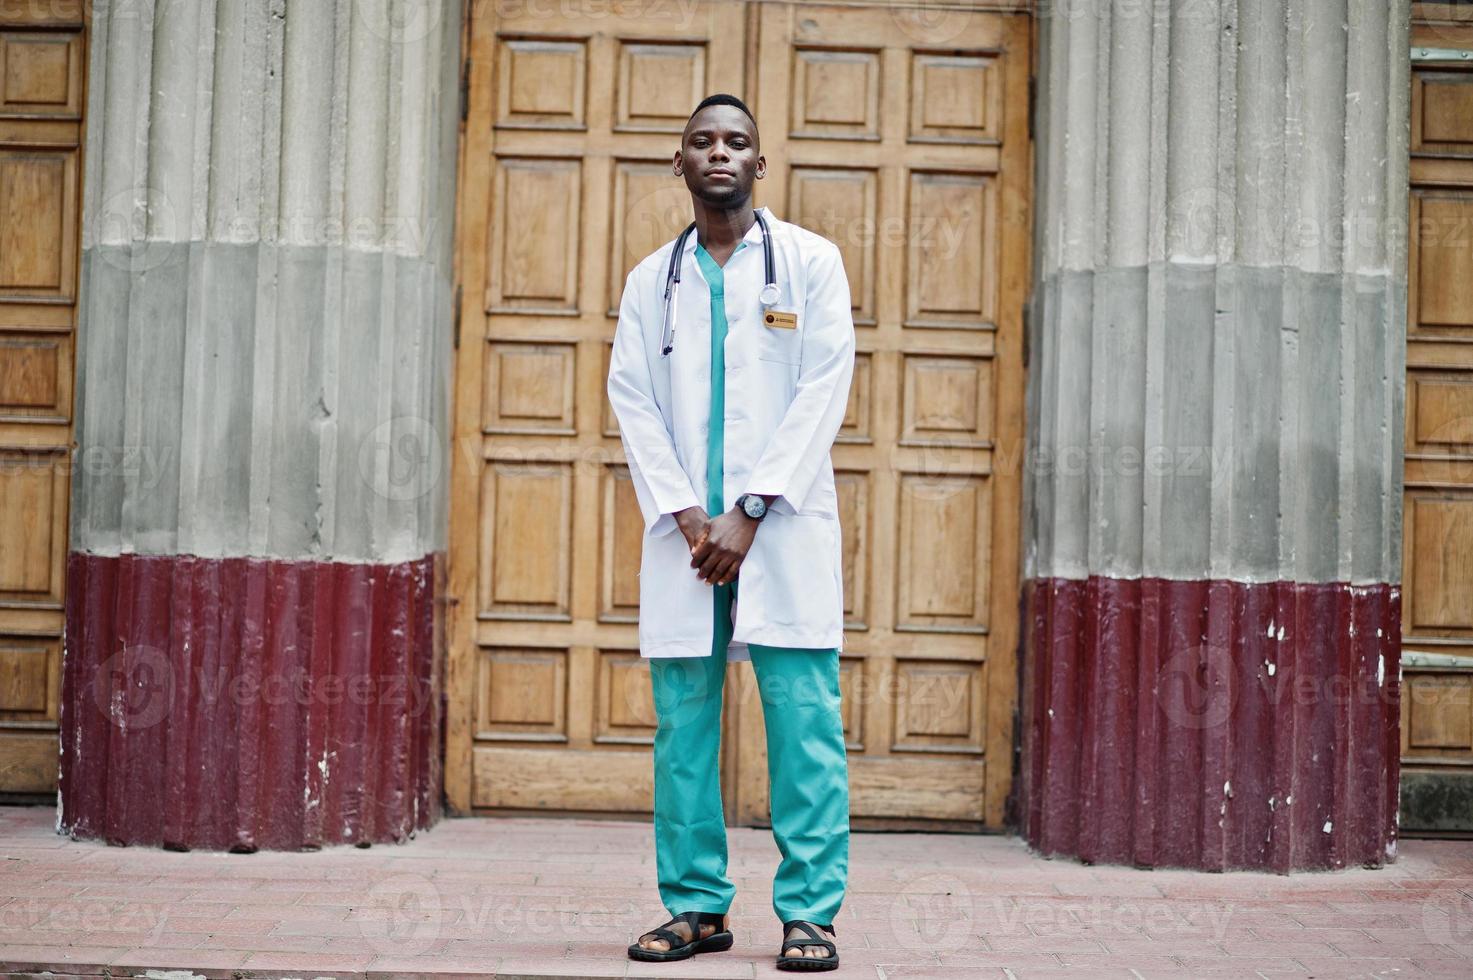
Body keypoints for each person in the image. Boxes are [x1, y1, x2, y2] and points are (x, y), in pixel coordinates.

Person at [606, 93, 855, 972]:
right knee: (683, 728)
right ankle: (696, 906)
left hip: (775, 531)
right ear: (679, 163)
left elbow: (823, 389)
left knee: (803, 721)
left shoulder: (810, 264)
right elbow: (632, 400)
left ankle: (810, 913)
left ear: (760, 163)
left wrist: (749, 512)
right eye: (702, 141)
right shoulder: (651, 280)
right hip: (685, 540)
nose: (720, 153)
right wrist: (684, 515)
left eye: (737, 142)